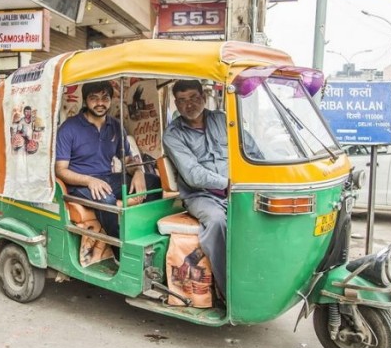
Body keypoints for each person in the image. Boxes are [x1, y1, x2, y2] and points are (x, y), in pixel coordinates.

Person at [163, 80, 262, 298]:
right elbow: (193, 174)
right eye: (182, 100)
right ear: (176, 104)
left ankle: (259, 278)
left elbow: (251, 149)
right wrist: (228, 185)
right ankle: (229, 290)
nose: (189, 104)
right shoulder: (173, 135)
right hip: (201, 195)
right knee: (217, 220)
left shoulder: (223, 119)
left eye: (193, 98)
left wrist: (260, 174)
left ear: (204, 97)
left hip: (237, 189)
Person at [55, 81, 162, 239]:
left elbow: (127, 159)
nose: (100, 103)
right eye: (94, 98)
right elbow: (60, 169)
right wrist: (89, 181)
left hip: (108, 178)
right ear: (85, 101)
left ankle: (141, 231)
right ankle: (119, 247)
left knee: (154, 182)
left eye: (105, 98)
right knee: (106, 199)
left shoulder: (116, 126)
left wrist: (138, 171)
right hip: (79, 184)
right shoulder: (69, 128)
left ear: (111, 100)